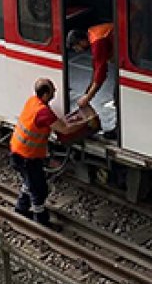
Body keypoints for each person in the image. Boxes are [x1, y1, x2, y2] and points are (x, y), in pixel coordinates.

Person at [10, 78, 92, 228]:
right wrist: (86, 122)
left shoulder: (32, 102)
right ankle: (40, 219)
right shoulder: (43, 112)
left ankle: (21, 208)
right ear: (46, 94)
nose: (55, 92)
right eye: (53, 90)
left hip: (18, 152)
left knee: (29, 183)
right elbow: (64, 129)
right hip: (28, 157)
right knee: (39, 189)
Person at [66, 23, 114, 109]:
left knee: (117, 95)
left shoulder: (97, 43)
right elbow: (96, 68)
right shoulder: (92, 33)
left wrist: (88, 98)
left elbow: (100, 73)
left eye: (77, 48)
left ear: (81, 41)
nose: (78, 51)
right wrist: (87, 93)